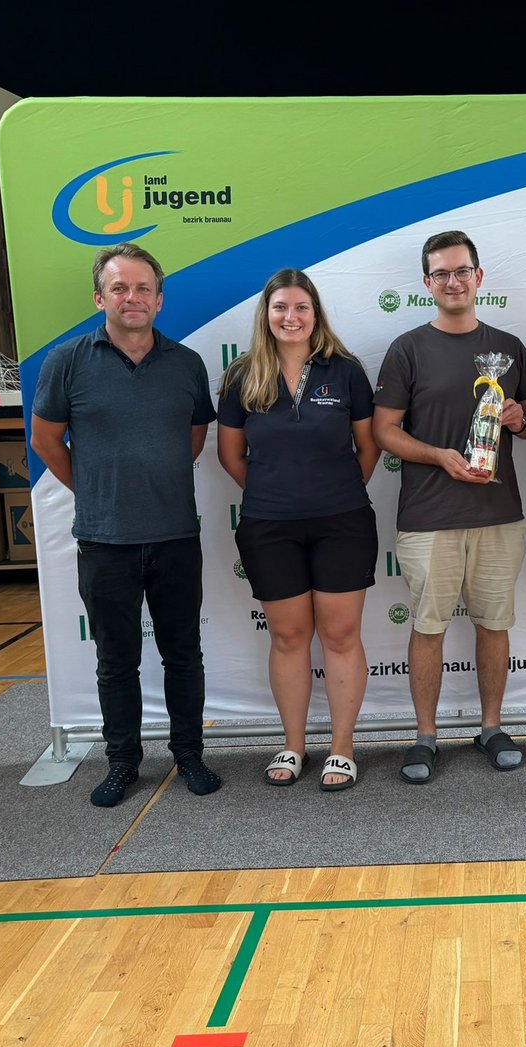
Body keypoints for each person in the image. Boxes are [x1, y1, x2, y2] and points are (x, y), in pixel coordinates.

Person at [30, 242, 220, 807]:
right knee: (116, 662)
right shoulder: (67, 361)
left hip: (175, 536)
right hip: (104, 541)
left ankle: (189, 755)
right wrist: (95, 491)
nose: (131, 297)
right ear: (100, 298)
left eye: (142, 288)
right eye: (119, 288)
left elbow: (193, 439)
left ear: (159, 300)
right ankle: (122, 764)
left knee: (183, 654)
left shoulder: (187, 364)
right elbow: (45, 440)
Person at [372, 229, 526, 783]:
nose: (453, 281)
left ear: (479, 276)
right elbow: (384, 430)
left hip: (498, 514)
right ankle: (425, 736)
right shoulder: (407, 349)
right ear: (427, 283)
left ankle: (491, 727)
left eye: (462, 271)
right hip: (430, 517)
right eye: (441, 273)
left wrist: (519, 418)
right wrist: (438, 456)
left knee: (494, 625)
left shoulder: (509, 347)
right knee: (429, 628)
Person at [217, 269, 379, 791]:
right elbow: (230, 455)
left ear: (316, 313)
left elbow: (368, 447)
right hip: (269, 526)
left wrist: (332, 492)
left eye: (301, 307)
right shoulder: (242, 375)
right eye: (281, 307)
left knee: (340, 634)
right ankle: (293, 745)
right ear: (266, 314)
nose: (291, 317)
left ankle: (342, 748)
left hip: (342, 522)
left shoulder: (345, 371)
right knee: (288, 637)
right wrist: (276, 493)